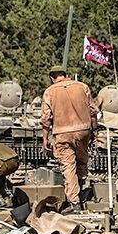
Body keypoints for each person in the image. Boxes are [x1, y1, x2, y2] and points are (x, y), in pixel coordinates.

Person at [41, 65, 98, 212]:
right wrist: (95, 130)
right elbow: (92, 111)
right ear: (65, 74)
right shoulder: (82, 86)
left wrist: (45, 138)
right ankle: (81, 188)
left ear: (52, 77)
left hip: (62, 133)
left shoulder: (50, 92)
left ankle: (75, 203)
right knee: (81, 160)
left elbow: (46, 118)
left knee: (68, 167)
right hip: (83, 130)